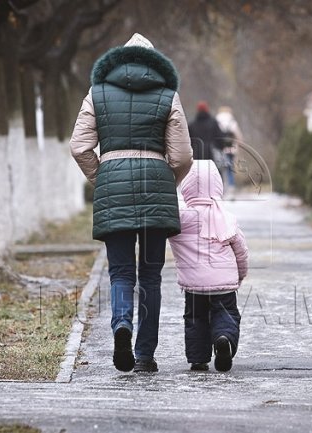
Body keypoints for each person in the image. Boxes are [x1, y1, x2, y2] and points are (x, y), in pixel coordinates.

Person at [70, 33, 193, 373]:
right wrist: (167, 182)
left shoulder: (97, 93)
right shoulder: (169, 95)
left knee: (121, 272)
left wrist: (103, 178)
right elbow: (182, 155)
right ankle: (144, 356)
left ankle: (121, 325)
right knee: (151, 276)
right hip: (156, 184)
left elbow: (79, 147)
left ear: (121, 59)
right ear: (155, 63)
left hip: (114, 187)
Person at [169, 160, 249, 372]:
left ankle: (198, 359)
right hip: (224, 283)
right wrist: (241, 273)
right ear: (217, 186)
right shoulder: (225, 217)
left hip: (193, 284)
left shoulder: (179, 218)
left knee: (195, 318)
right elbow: (240, 249)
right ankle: (224, 339)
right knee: (226, 314)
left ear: (184, 186)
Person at [188, 101, 227, 166]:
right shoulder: (213, 122)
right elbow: (220, 137)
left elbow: (188, 141)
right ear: (207, 109)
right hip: (211, 154)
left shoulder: (192, 125)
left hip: (196, 155)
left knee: (197, 174)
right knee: (212, 174)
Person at [215, 106, 244, 190]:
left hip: (220, 148)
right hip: (231, 148)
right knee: (230, 168)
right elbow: (238, 135)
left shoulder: (216, 121)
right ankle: (231, 186)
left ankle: (220, 186)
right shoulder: (232, 122)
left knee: (219, 168)